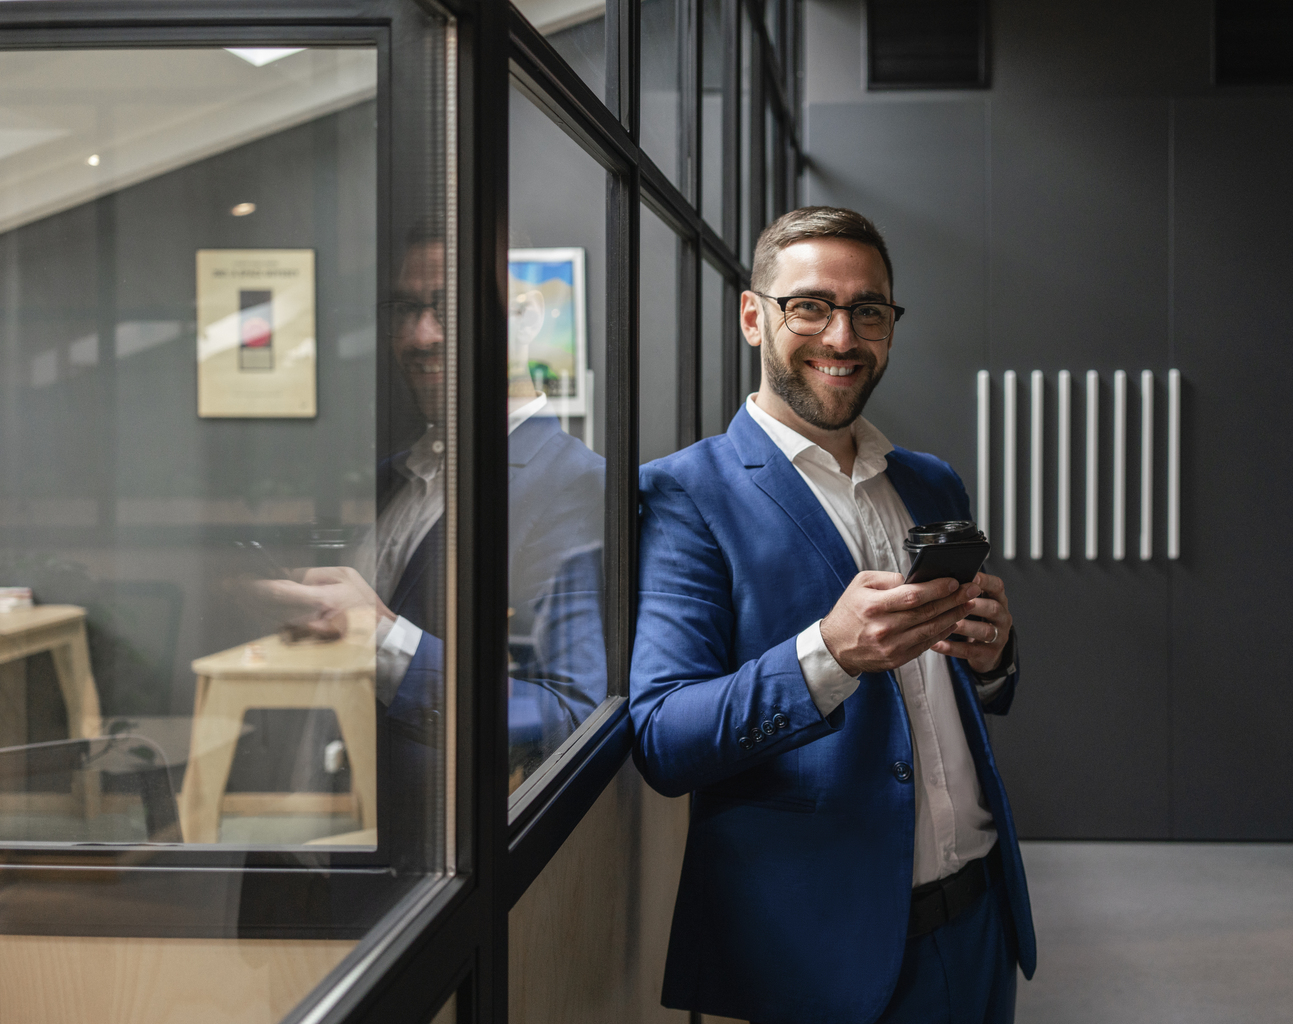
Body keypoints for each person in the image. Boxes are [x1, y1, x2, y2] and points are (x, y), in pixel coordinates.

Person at [629, 206, 1036, 1024]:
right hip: (812, 951)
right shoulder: (686, 493)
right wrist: (830, 654)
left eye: (869, 311)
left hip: (978, 919)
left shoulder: (930, 483)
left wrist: (992, 657)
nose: (842, 337)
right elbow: (664, 737)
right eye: (809, 305)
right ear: (754, 316)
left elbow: (964, 695)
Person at [253, 226, 606, 819]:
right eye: (406, 309)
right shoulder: (392, 475)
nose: (420, 336)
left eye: (448, 306)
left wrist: (380, 637)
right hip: (319, 824)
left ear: (525, 318)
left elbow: (569, 715)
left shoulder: (577, 485)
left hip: (432, 863)